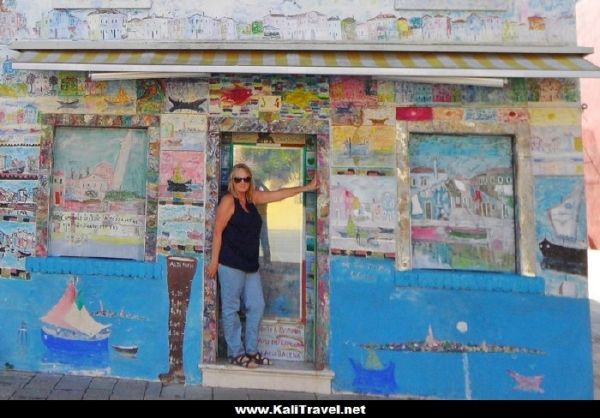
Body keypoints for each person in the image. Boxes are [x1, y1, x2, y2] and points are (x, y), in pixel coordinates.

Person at [207, 163, 319, 368]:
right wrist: (214, 261)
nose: (242, 183)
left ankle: (251, 351)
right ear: (232, 181)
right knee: (231, 308)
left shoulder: (252, 200)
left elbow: (278, 194)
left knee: (257, 306)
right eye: (238, 179)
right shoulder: (228, 201)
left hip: (250, 265)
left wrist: (306, 188)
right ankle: (235, 352)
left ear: (250, 181)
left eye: (246, 179)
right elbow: (217, 232)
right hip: (230, 263)